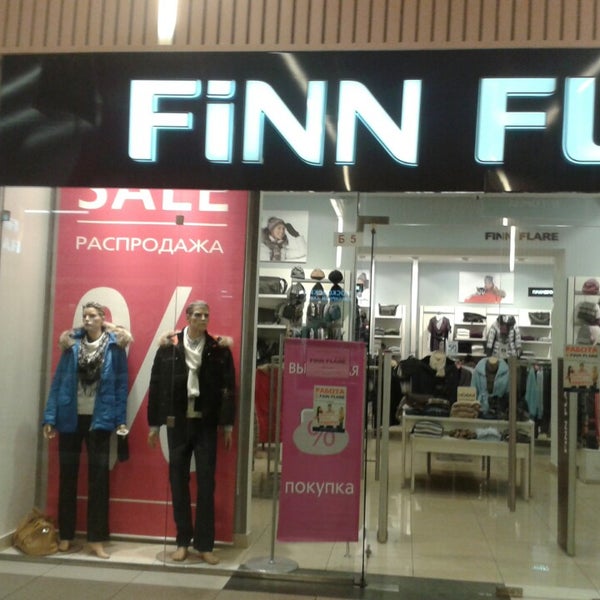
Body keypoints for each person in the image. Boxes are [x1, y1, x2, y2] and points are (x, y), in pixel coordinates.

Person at [147, 300, 235, 564]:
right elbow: (156, 384)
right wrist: (154, 425)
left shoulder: (218, 349)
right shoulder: (169, 347)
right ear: (187, 317)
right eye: (198, 315)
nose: (203, 319)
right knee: (178, 482)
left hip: (206, 422)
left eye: (207, 315)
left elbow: (228, 387)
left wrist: (227, 425)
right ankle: (182, 541)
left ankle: (205, 544)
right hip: (178, 422)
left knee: (207, 484)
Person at [42, 302, 132, 559]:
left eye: (93, 315)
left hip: (100, 420)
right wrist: (50, 417)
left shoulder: (114, 348)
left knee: (99, 481)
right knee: (67, 478)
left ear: (103, 319)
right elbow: (58, 382)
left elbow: (120, 387)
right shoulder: (71, 346)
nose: (88, 319)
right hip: (69, 417)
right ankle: (66, 536)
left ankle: (96, 539)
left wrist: (120, 420)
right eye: (85, 316)